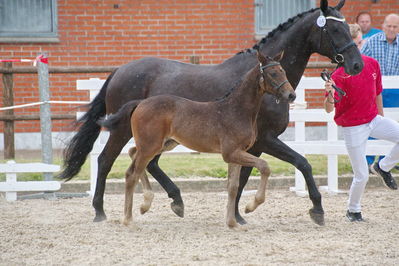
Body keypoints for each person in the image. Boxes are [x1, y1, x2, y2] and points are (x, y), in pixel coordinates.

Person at [324, 24, 399, 222]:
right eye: (352, 45)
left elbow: (377, 92)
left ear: (362, 42)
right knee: (361, 175)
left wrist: (381, 117)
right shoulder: (338, 75)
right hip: (352, 127)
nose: (356, 49)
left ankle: (383, 167)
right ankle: (353, 210)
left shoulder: (372, 64)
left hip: (373, 119)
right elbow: (328, 109)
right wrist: (330, 94)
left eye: (358, 44)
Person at [361, 13, 399, 169]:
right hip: (375, 91)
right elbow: (361, 64)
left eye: (395, 26)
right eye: (388, 26)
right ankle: (367, 162)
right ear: (383, 26)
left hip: (396, 93)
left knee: (393, 128)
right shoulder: (371, 42)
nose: (391, 29)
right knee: (373, 125)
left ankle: (385, 163)